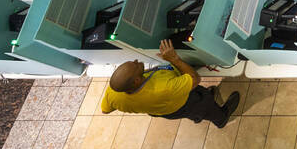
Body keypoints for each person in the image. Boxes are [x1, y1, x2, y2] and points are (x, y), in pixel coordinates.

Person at [101, 42, 239, 126]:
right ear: (136, 81)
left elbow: (104, 110)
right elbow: (195, 79)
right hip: (184, 103)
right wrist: (175, 59)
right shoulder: (163, 89)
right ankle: (221, 118)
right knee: (202, 106)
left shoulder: (113, 93)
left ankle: (201, 109)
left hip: (163, 109)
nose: (137, 61)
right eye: (135, 66)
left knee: (199, 100)